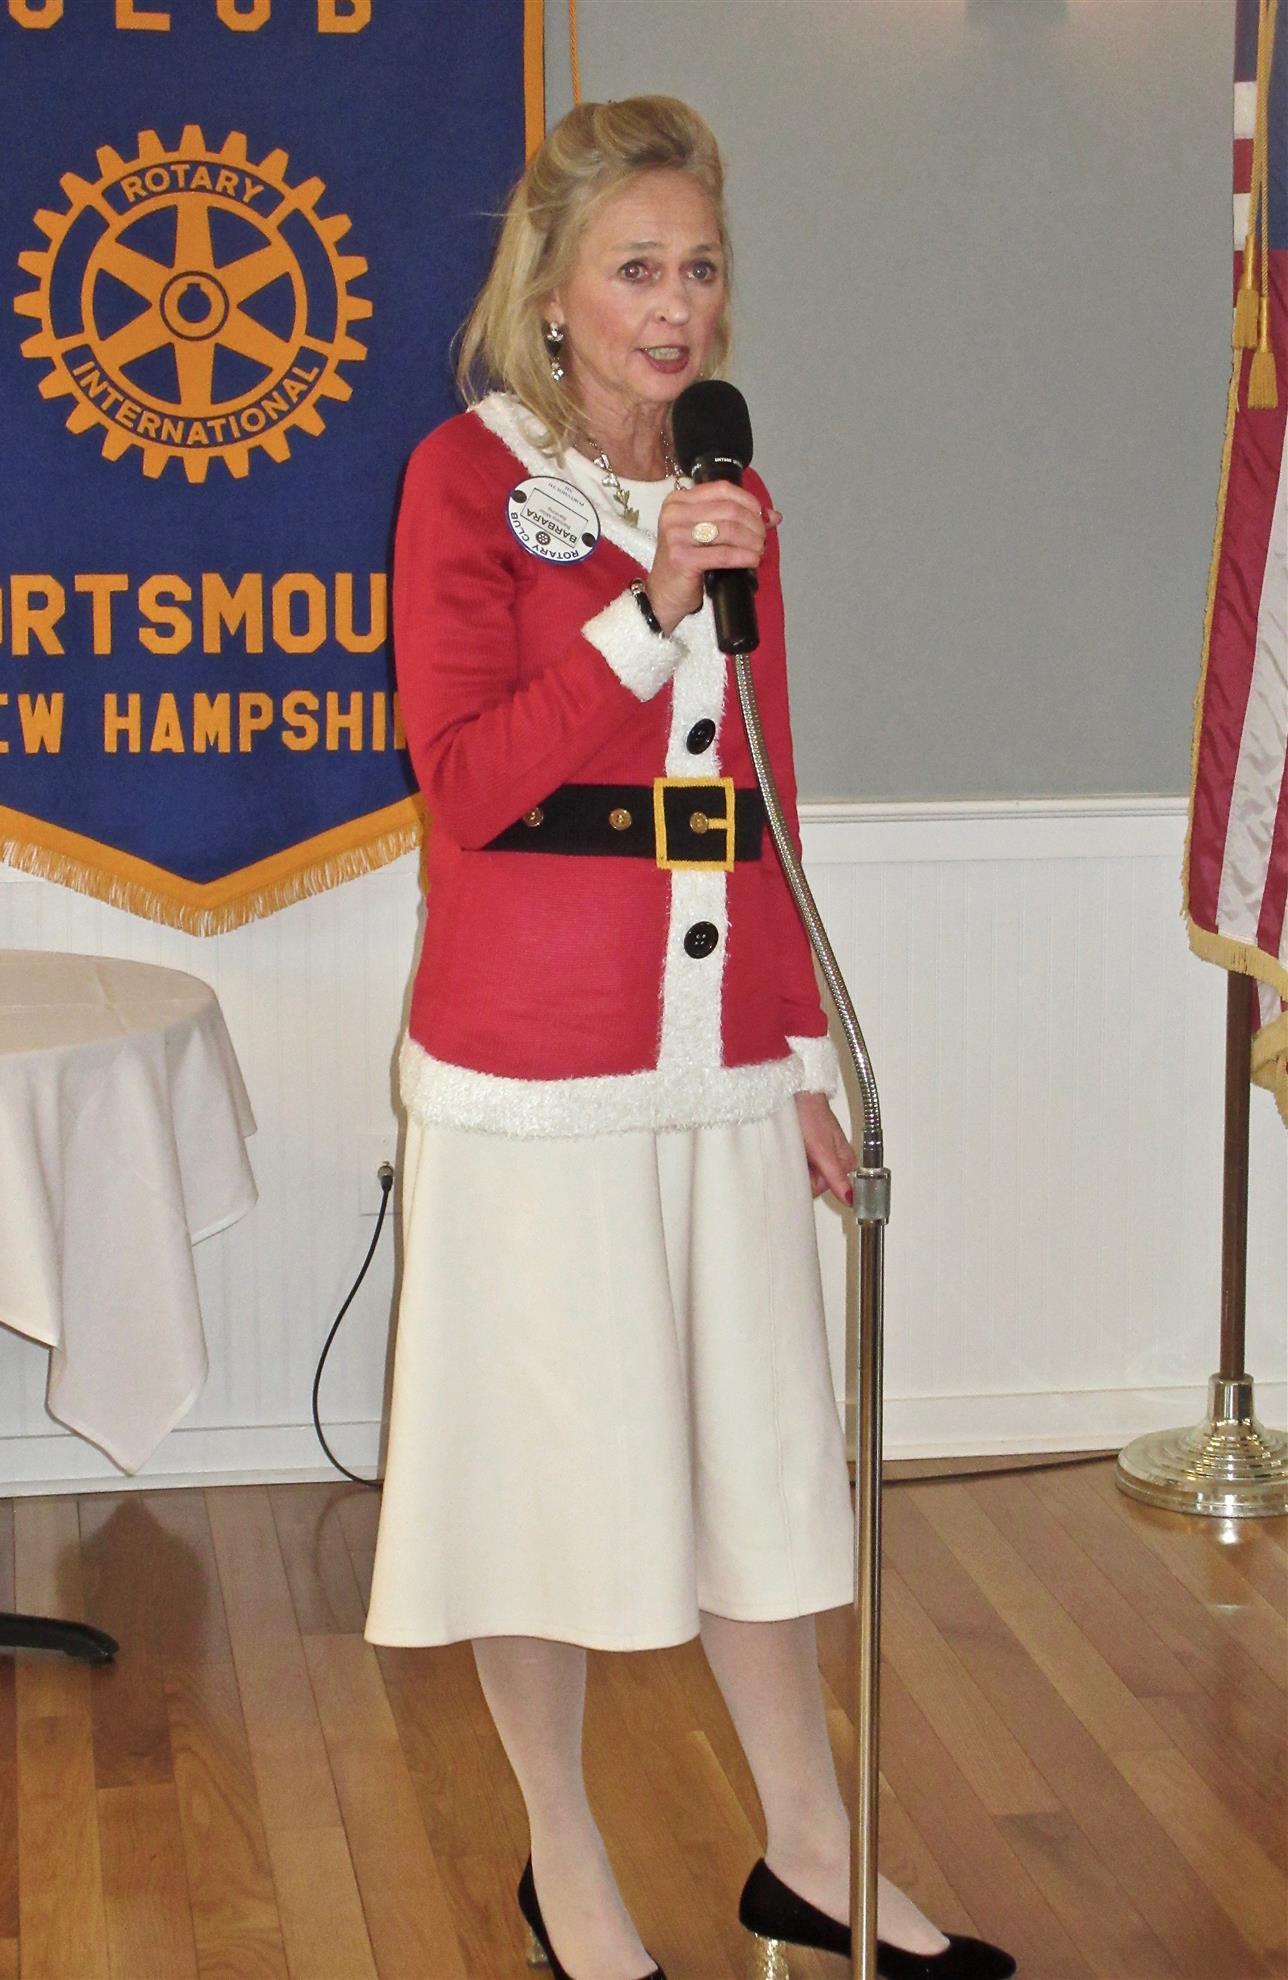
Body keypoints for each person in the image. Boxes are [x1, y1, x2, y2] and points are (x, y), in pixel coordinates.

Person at [363, 94, 1015, 1980]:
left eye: (701, 268)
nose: (677, 307)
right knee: (535, 1482)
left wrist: (797, 1052)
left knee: (757, 1467)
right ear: (552, 296)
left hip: (717, 1052)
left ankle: (810, 1845)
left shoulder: (735, 491)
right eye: (636, 269)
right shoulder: (463, 481)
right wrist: (647, 616)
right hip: (533, 1073)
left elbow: (763, 795)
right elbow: (468, 780)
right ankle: (562, 1854)